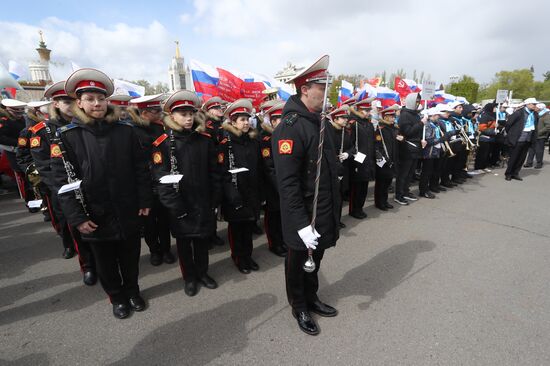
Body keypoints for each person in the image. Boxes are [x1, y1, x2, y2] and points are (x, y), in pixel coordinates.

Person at [50, 68, 152, 319]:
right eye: (90, 99)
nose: (96, 103)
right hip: (94, 212)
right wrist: (77, 217)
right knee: (105, 262)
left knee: (130, 256)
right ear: (80, 103)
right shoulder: (67, 137)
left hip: (127, 207)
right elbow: (62, 182)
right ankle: (117, 298)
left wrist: (144, 199)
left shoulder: (125, 131)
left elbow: (140, 168)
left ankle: (132, 291)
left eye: (100, 98)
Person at [272, 55, 341, 336]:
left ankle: (311, 297)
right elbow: (287, 183)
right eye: (322, 87)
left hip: (322, 207)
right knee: (298, 261)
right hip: (301, 213)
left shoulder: (318, 121)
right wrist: (301, 223)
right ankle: (299, 305)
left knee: (317, 257)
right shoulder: (290, 126)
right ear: (305, 89)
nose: (327, 93)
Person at [151, 90, 220, 296]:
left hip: (202, 201)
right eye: (182, 114)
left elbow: (214, 172)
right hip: (180, 203)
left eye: (190, 113)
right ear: (172, 116)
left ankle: (202, 273)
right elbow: (161, 179)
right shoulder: (162, 144)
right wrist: (174, 206)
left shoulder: (205, 140)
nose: (188, 118)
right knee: (183, 244)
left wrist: (215, 199)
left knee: (201, 241)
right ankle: (189, 277)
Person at [30, 82, 97, 283]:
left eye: (72, 101)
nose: (70, 105)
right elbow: (44, 167)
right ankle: (88, 266)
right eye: (65, 101)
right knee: (76, 229)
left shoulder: (88, 124)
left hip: (91, 188)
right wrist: (65, 190)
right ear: (56, 104)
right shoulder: (43, 130)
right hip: (64, 190)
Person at [128, 94, 175, 266]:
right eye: (156, 111)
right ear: (145, 112)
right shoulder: (131, 130)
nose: (160, 114)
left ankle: (166, 249)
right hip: (143, 182)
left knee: (164, 220)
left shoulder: (161, 128)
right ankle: (155, 250)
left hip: (162, 179)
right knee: (148, 222)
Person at [218, 99, 262, 274]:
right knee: (237, 229)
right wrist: (231, 194)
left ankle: (248, 256)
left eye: (247, 119)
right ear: (233, 121)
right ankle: (238, 257)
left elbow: (258, 168)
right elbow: (223, 172)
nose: (246, 123)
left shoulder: (253, 141)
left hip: (251, 192)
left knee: (248, 227)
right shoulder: (226, 143)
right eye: (241, 119)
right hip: (235, 193)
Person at [260, 101, 288, 257]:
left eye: (281, 118)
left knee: (282, 216)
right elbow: (268, 166)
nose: (279, 122)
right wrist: (281, 185)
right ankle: (274, 243)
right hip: (272, 186)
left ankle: (283, 240)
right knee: (273, 217)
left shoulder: (285, 135)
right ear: (271, 121)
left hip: (284, 183)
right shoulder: (265, 139)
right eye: (276, 119)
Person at [201, 96, 227, 247]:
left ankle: (213, 232)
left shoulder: (223, 125)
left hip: (221, 165)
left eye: (220, 108)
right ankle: (209, 234)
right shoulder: (208, 127)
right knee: (210, 205)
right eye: (216, 108)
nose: (220, 110)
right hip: (212, 166)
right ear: (209, 110)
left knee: (217, 201)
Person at [347, 98, 376, 218]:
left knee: (364, 187)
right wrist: (355, 160)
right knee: (356, 188)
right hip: (358, 160)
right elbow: (351, 143)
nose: (368, 112)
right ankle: (354, 209)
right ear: (359, 110)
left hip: (368, 159)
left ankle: (360, 208)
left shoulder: (369, 124)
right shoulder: (354, 124)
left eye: (369, 110)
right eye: (365, 110)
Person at [0, 99, 32, 204]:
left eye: (21, 112)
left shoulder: (23, 119)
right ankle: (28, 200)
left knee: (30, 174)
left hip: (26, 150)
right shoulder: (4, 120)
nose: (19, 114)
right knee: (21, 176)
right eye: (16, 112)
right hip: (13, 152)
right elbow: (1, 138)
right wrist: (19, 143)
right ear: (9, 110)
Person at [394, 93, 423, 205]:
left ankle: (406, 191)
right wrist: (421, 123)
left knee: (410, 173)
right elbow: (408, 132)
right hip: (407, 148)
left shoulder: (415, 114)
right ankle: (399, 195)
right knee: (403, 173)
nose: (418, 103)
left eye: (419, 101)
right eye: (416, 101)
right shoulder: (405, 115)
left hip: (416, 148)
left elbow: (417, 132)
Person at [504, 98, 539, 181]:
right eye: (533, 104)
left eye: (535, 104)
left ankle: (515, 173)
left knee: (521, 158)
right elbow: (508, 124)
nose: (535, 106)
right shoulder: (519, 113)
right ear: (528, 104)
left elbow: (535, 125)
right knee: (514, 157)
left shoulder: (535, 114)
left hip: (528, 138)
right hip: (518, 138)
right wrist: (512, 134)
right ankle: (508, 173)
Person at [327, 105, 352, 223]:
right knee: (332, 197)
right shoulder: (329, 132)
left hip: (344, 168)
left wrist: (348, 153)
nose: (346, 119)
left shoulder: (345, 132)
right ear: (335, 119)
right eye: (343, 117)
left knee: (341, 194)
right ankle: (331, 220)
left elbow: (352, 147)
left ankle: (338, 219)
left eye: (346, 117)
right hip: (332, 169)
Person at [374, 105, 400, 210]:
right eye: (391, 116)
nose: (394, 118)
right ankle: (379, 202)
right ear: (385, 117)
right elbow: (377, 146)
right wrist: (385, 158)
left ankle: (384, 201)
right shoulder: (381, 129)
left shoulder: (394, 128)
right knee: (381, 183)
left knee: (388, 182)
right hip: (384, 161)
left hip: (393, 159)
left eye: (394, 116)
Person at [419, 108, 444, 199]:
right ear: (432, 116)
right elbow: (428, 140)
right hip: (428, 152)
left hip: (435, 151)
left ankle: (429, 187)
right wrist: (441, 139)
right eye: (437, 115)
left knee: (431, 171)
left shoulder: (435, 124)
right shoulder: (428, 125)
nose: (439, 117)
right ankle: (423, 190)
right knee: (426, 172)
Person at [524, 103, 550, 169]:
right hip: (534, 134)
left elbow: (548, 127)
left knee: (539, 150)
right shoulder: (536, 114)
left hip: (541, 136)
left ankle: (539, 163)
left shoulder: (546, 115)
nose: (535, 107)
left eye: (536, 107)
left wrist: (539, 132)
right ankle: (529, 163)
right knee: (531, 149)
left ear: (539, 108)